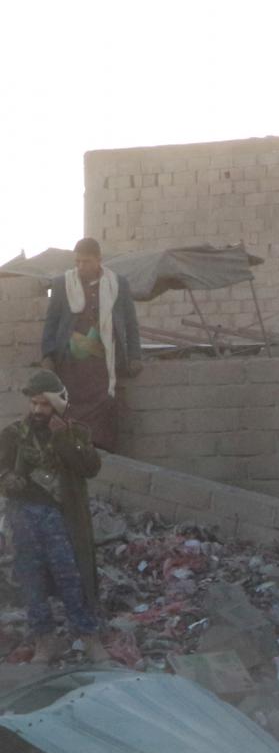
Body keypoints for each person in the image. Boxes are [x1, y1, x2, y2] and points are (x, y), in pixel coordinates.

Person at [2, 370, 103, 661]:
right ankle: (45, 640)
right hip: (23, 515)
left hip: (61, 517)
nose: (37, 410)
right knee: (31, 581)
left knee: (72, 578)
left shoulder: (75, 432)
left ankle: (88, 635)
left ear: (57, 404)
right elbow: (1, 467)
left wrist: (63, 438)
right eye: (33, 403)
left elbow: (90, 468)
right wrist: (8, 480)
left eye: (44, 404)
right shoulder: (12, 433)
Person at [40, 238, 141, 451]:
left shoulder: (117, 284)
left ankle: (100, 457)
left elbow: (130, 323)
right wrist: (47, 355)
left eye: (86, 261)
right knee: (69, 410)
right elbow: (52, 322)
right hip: (70, 366)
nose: (81, 266)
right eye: (77, 262)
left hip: (102, 366)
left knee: (105, 408)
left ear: (99, 260)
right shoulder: (63, 284)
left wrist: (135, 356)